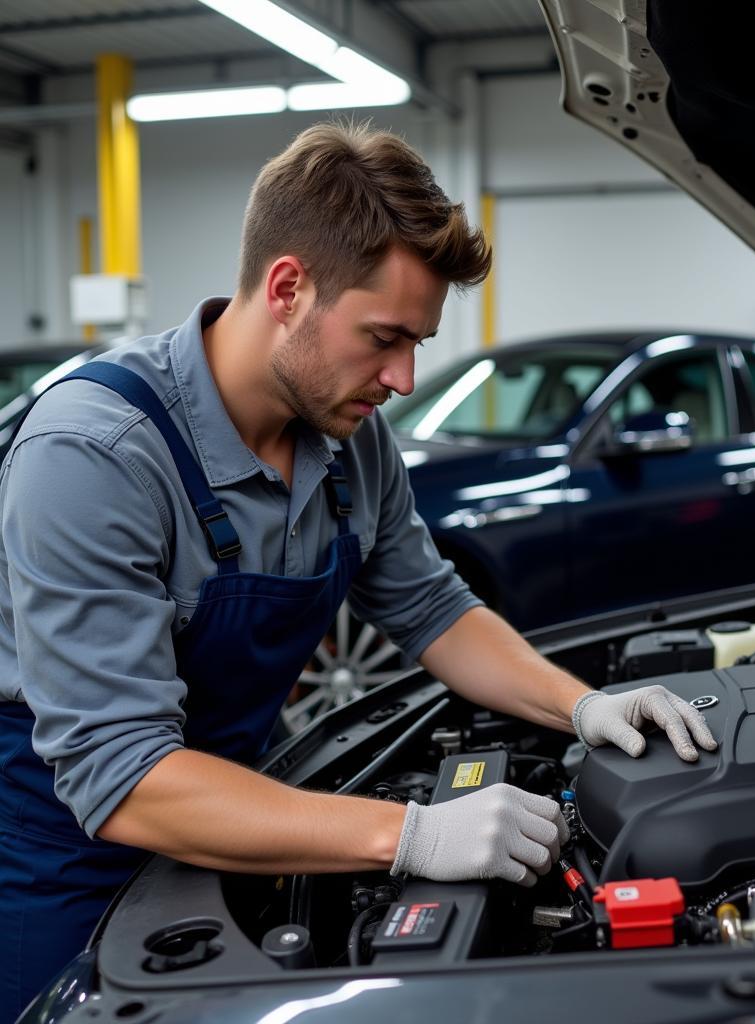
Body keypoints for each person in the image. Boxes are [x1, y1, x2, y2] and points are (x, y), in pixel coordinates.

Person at [0, 121, 717, 1018]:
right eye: (384, 336)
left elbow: (434, 610)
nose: (406, 377)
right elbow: (122, 774)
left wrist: (582, 705)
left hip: (233, 815)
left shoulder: (352, 442)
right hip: (58, 857)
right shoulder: (95, 454)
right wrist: (413, 835)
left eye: (417, 340)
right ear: (289, 287)